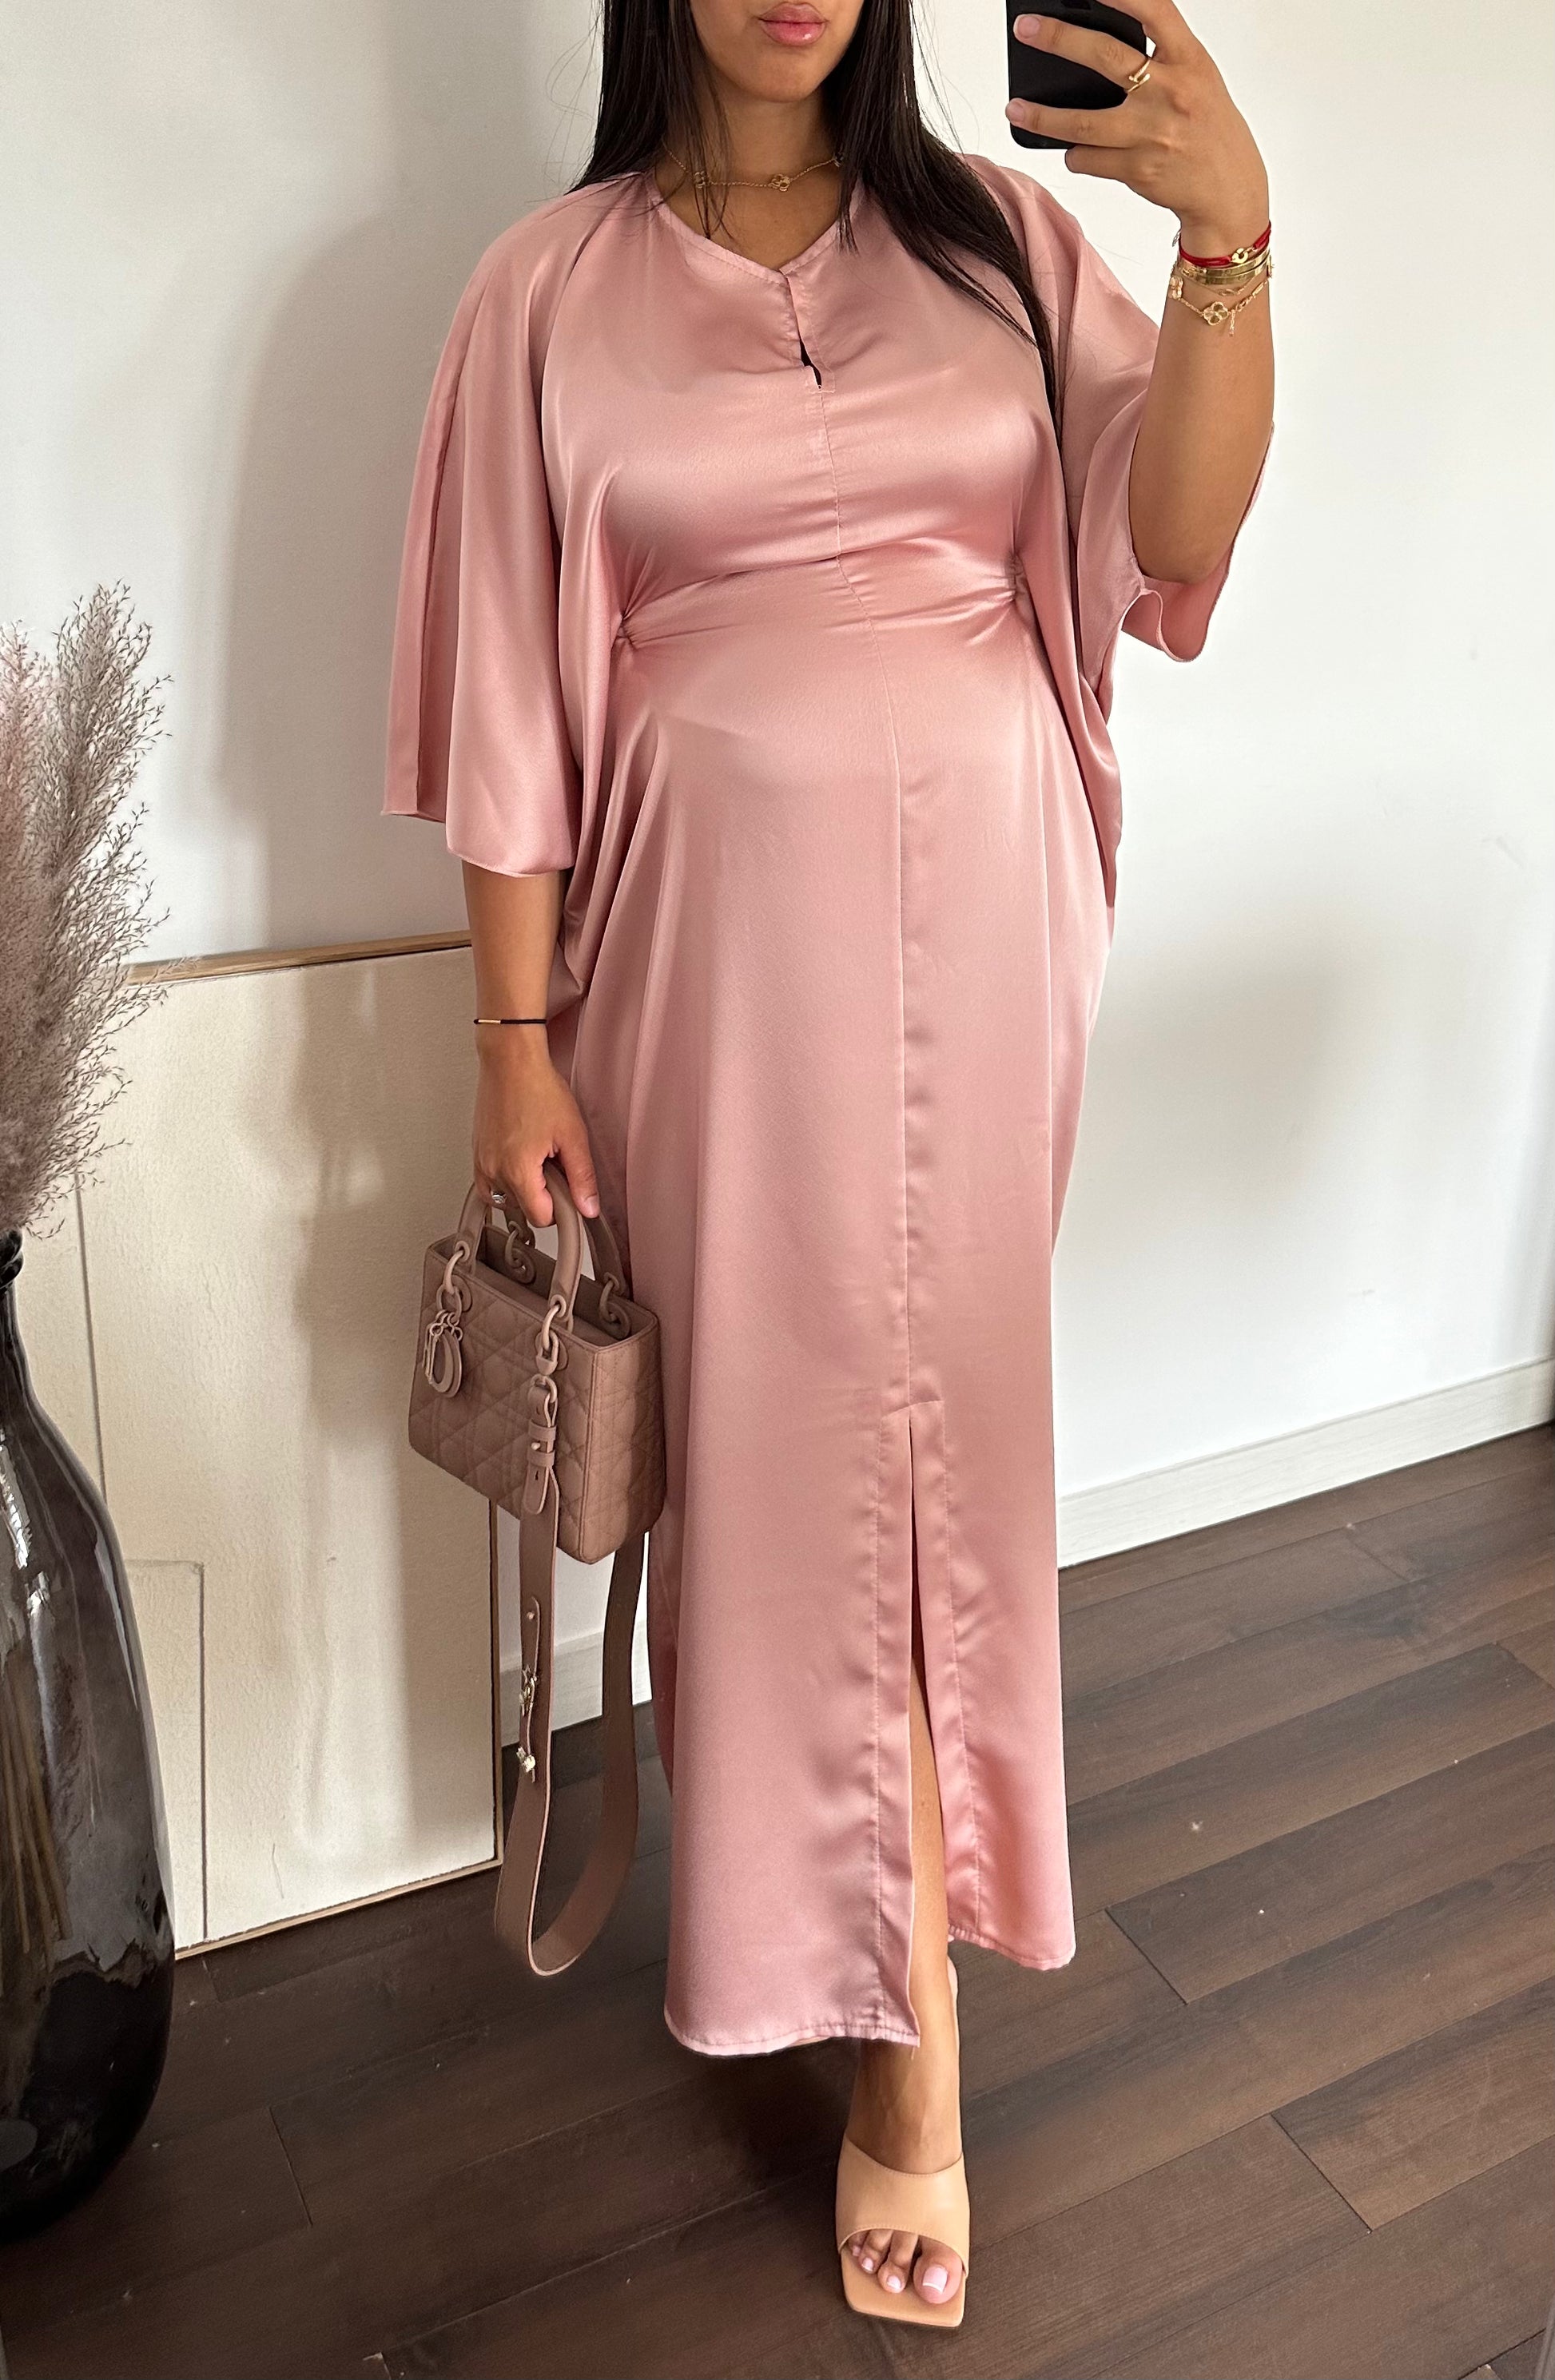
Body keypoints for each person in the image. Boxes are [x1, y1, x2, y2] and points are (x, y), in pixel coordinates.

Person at [384, 0, 1271, 2331]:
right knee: (781, 1462)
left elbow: (1171, 543)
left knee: (942, 1439)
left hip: (993, 936)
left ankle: (904, 2009)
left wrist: (1226, 243)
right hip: (706, 960)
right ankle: (875, 1986)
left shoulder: (991, 241)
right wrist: (511, 1038)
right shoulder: (548, 290)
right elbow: (503, 700)